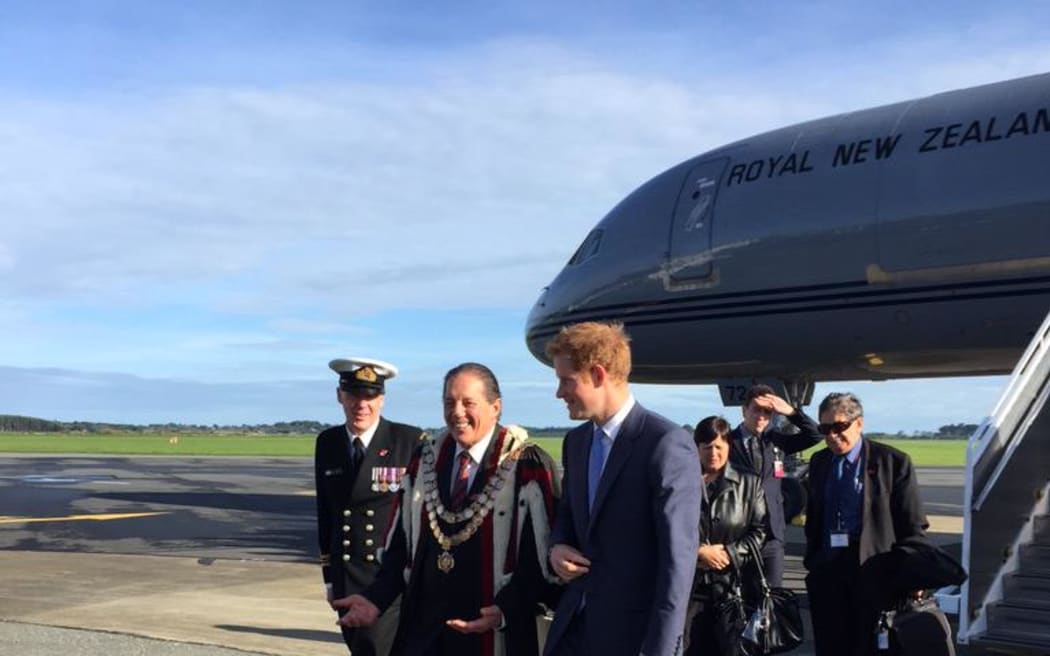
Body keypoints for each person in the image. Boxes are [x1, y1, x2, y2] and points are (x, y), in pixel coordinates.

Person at [334, 363, 561, 656]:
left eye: (468, 403)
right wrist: (375, 599)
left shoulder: (526, 466)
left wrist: (506, 609)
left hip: (493, 635)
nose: (457, 412)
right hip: (426, 633)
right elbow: (401, 547)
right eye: (449, 402)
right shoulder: (425, 460)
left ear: (496, 406)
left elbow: (540, 561)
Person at [542, 321, 702, 656]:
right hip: (574, 629)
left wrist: (660, 650)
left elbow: (678, 561)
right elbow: (569, 516)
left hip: (632, 639)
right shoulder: (576, 442)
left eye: (566, 380)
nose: (559, 393)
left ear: (598, 375)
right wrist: (557, 548)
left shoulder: (665, 444)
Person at [803, 392, 930, 656]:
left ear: (859, 423)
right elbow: (815, 516)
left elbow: (912, 524)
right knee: (831, 645)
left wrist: (915, 576)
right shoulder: (820, 462)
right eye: (825, 429)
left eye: (839, 427)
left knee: (870, 647)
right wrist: (813, 561)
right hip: (829, 570)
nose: (832, 436)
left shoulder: (893, 462)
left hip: (873, 570)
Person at [315, 357, 423, 656]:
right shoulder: (328, 443)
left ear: (382, 400)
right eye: (353, 394)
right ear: (340, 396)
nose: (361, 404)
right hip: (346, 576)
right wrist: (329, 578)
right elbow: (326, 515)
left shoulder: (409, 440)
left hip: (387, 580)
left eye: (370, 396)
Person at [686, 416, 767, 656]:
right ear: (697, 448)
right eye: (706, 447)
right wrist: (698, 551)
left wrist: (729, 554)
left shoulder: (749, 484)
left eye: (719, 446)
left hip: (733, 588)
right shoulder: (680, 483)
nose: (713, 453)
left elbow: (760, 531)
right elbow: (666, 528)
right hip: (690, 588)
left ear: (729, 447)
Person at [728, 384, 821, 587]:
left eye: (767, 412)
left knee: (772, 597)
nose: (761, 416)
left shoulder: (777, 441)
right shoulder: (727, 443)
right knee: (737, 598)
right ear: (744, 410)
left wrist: (790, 412)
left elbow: (815, 434)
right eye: (756, 409)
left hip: (771, 535)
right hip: (737, 534)